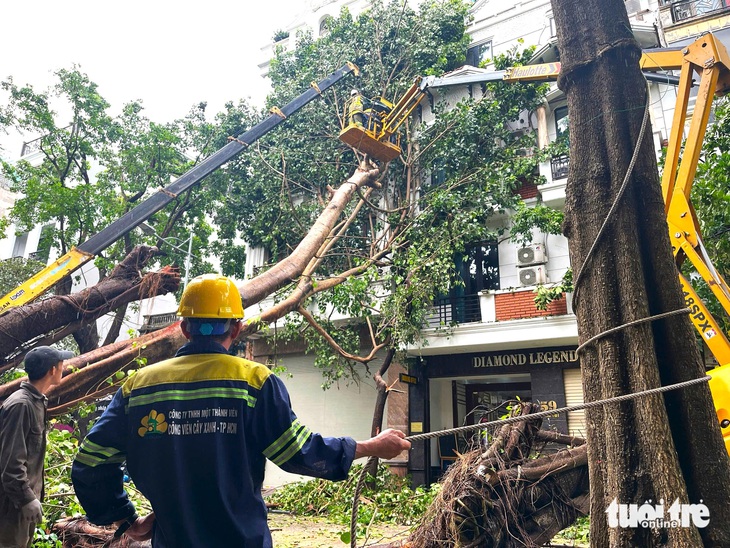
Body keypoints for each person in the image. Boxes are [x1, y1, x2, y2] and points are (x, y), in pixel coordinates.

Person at [72, 274, 410, 547]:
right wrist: (371, 446)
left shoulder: (138, 387)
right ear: (236, 328)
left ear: (185, 328)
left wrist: (124, 518)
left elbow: (91, 463)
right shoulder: (255, 382)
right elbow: (298, 453)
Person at [0, 346, 73, 548]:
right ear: (52, 370)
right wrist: (26, 499)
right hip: (11, 507)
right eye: (61, 364)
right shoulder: (21, 405)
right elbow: (11, 463)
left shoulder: (37, 402)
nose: (63, 367)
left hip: (23, 506)